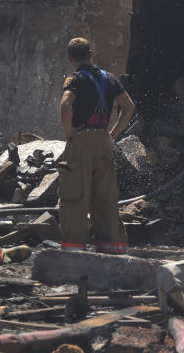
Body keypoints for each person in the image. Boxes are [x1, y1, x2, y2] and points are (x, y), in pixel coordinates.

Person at [58, 37, 136, 254]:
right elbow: (128, 106)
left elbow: (65, 105)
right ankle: (111, 247)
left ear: (71, 59)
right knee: (105, 197)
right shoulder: (109, 78)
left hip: (81, 140)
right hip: (103, 141)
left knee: (75, 196)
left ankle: (74, 250)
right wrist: (112, 134)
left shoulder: (75, 79)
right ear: (91, 54)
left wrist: (69, 131)